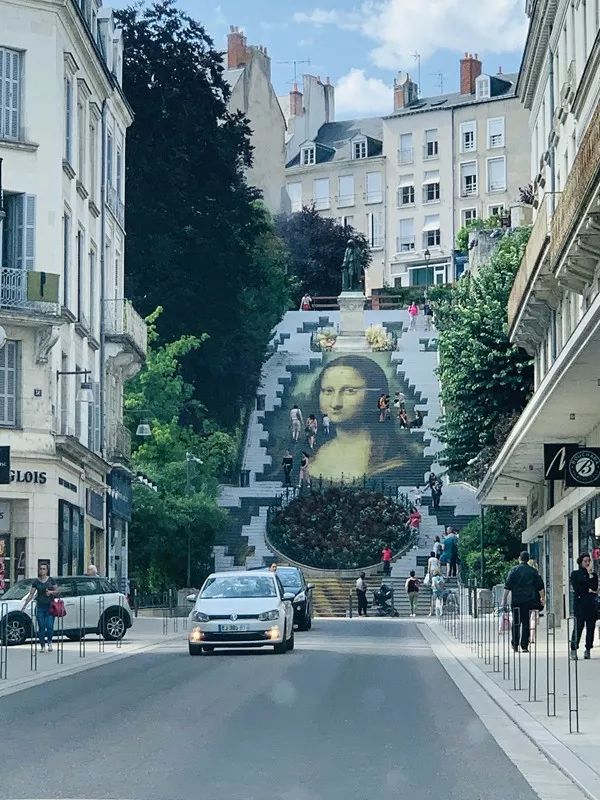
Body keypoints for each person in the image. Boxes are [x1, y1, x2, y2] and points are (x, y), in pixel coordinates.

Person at [308, 355, 412, 481]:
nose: (335, 403)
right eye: (328, 391)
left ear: (374, 396)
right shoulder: (314, 451)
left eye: (349, 391)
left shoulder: (392, 462)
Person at [502, 551, 545, 653]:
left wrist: (503, 600)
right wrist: (542, 598)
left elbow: (507, 586)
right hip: (528, 601)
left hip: (516, 601)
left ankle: (515, 644)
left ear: (519, 558)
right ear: (528, 559)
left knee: (516, 622)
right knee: (526, 622)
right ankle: (524, 645)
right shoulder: (533, 571)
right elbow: (540, 586)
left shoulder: (513, 571)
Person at [21, 563, 58, 653]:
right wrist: (25, 605)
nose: (42, 570)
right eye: (40, 569)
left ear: (47, 570)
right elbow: (31, 594)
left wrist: (51, 592)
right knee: (41, 627)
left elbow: (57, 591)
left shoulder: (51, 580)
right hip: (40, 607)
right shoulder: (36, 582)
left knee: (49, 626)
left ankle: (49, 642)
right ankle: (42, 646)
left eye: (44, 569)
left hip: (50, 607)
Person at [570, 553, 599, 660]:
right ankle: (573, 648)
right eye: (585, 561)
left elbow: (595, 587)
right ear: (581, 562)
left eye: (589, 561)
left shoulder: (593, 575)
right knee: (578, 627)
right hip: (580, 605)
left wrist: (590, 575)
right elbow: (578, 589)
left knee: (590, 628)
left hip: (591, 605)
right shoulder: (575, 574)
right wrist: (588, 589)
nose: (587, 563)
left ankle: (588, 649)